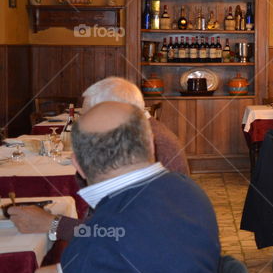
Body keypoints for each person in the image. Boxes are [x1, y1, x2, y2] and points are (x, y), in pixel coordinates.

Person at [34, 101, 220, 273]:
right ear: (150, 144)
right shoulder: (188, 191)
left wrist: (84, 268)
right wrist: (69, 271)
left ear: (78, 166)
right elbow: (151, 248)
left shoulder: (99, 243)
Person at [10, 76, 188, 240]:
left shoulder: (154, 144)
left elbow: (127, 233)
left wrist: (55, 225)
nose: (85, 122)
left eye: (90, 114)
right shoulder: (138, 135)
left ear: (114, 111)